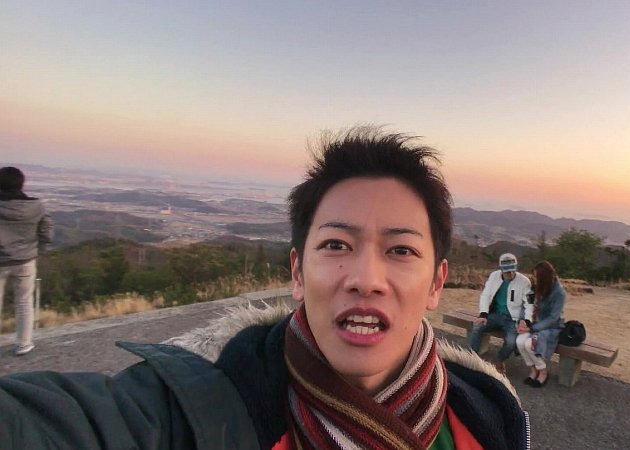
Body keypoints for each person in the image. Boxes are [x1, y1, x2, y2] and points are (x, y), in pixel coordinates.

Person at [0, 127, 530, 450]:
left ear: (436, 283)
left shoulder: (487, 413)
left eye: (401, 250)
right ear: (297, 273)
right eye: (337, 245)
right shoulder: (198, 406)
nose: (366, 279)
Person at [0, 166, 53, 356]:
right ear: (21, 184)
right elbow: (46, 231)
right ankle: (24, 343)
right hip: (26, 260)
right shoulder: (36, 206)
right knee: (24, 302)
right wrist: (39, 250)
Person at [468, 253, 532, 374]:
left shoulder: (525, 281)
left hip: (512, 318)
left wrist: (526, 320)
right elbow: (486, 295)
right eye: (507, 271)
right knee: (477, 327)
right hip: (495, 314)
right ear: (501, 269)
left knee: (511, 342)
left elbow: (530, 304)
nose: (510, 274)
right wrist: (483, 314)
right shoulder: (494, 276)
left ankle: (499, 359)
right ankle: (471, 358)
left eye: (513, 270)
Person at [515, 261, 566, 388]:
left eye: (536, 276)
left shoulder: (559, 293)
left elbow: (553, 318)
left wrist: (532, 328)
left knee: (529, 344)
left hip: (551, 327)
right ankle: (533, 371)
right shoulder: (533, 288)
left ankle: (543, 372)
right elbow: (526, 306)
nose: (534, 279)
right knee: (520, 342)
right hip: (533, 323)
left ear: (544, 278)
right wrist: (522, 321)